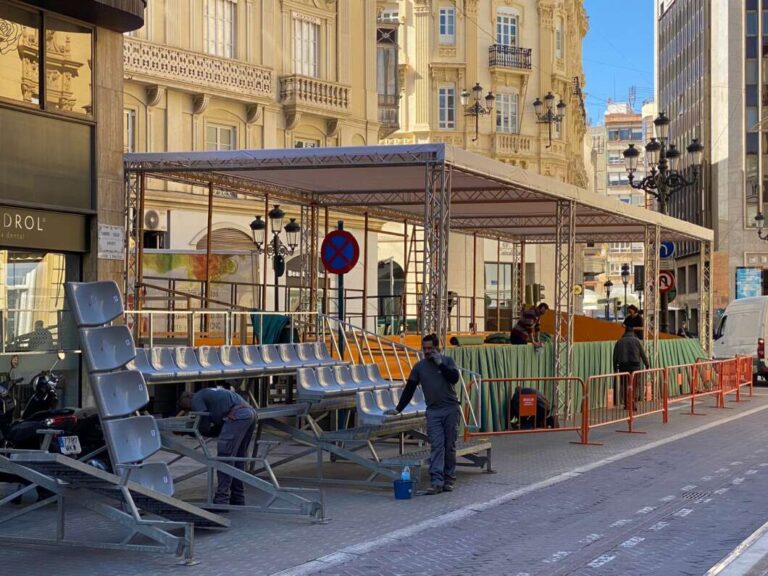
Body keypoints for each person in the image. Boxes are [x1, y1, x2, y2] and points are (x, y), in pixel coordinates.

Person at [385, 334, 460, 495]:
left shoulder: (447, 361)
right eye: (424, 348)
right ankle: (436, 481)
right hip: (433, 411)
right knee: (437, 445)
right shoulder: (419, 367)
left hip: (450, 409)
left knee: (449, 446)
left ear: (437, 348)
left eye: (430, 348)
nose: (426, 352)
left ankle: (448, 479)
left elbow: (454, 378)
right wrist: (398, 409)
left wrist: (440, 364)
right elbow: (409, 389)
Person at [179, 387, 257, 506]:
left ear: (188, 399)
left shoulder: (196, 398)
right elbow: (216, 431)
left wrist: (186, 430)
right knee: (237, 459)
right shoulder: (210, 395)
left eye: (188, 408)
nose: (191, 410)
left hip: (237, 416)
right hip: (249, 413)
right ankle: (238, 497)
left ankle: (222, 500)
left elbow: (204, 425)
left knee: (225, 458)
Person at [613, 325, 650, 410]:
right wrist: (647, 364)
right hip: (635, 366)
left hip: (623, 366)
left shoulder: (619, 342)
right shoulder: (637, 341)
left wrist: (615, 368)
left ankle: (627, 404)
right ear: (633, 332)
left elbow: (615, 356)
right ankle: (633, 403)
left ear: (625, 332)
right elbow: (643, 354)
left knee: (625, 385)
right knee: (634, 385)